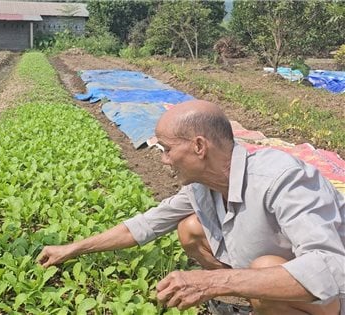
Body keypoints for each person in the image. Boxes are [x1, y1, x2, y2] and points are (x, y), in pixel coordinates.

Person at [37, 100, 344, 315]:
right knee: (190, 229)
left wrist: (213, 282)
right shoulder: (202, 185)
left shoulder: (282, 178)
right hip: (277, 276)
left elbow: (331, 268)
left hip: (331, 296)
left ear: (199, 147)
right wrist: (73, 249)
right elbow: (148, 224)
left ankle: (263, 301)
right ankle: (248, 299)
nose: (163, 160)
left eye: (167, 149)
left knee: (265, 268)